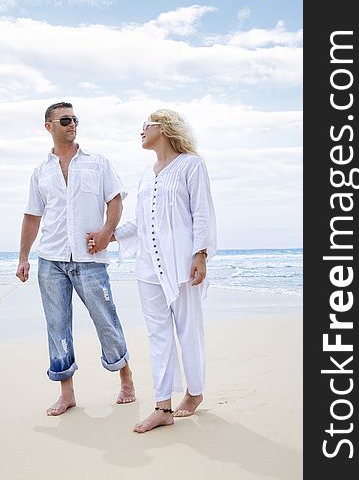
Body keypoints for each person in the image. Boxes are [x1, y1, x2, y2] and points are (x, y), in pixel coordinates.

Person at [88, 108, 216, 433]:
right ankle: (163, 406)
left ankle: (195, 392)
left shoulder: (191, 165)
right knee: (158, 336)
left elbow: (202, 212)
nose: (141, 132)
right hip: (147, 267)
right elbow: (142, 223)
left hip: (182, 265)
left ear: (164, 127)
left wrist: (200, 254)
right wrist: (109, 235)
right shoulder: (147, 175)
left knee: (189, 330)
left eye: (145, 125)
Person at [16, 101, 135, 416]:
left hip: (89, 258)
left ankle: (126, 380)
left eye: (75, 119)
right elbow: (32, 216)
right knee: (57, 326)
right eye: (65, 120)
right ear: (49, 126)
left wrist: (107, 232)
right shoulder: (40, 171)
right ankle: (66, 393)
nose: (72, 124)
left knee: (105, 320)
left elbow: (115, 201)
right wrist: (23, 257)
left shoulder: (98, 163)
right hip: (51, 260)